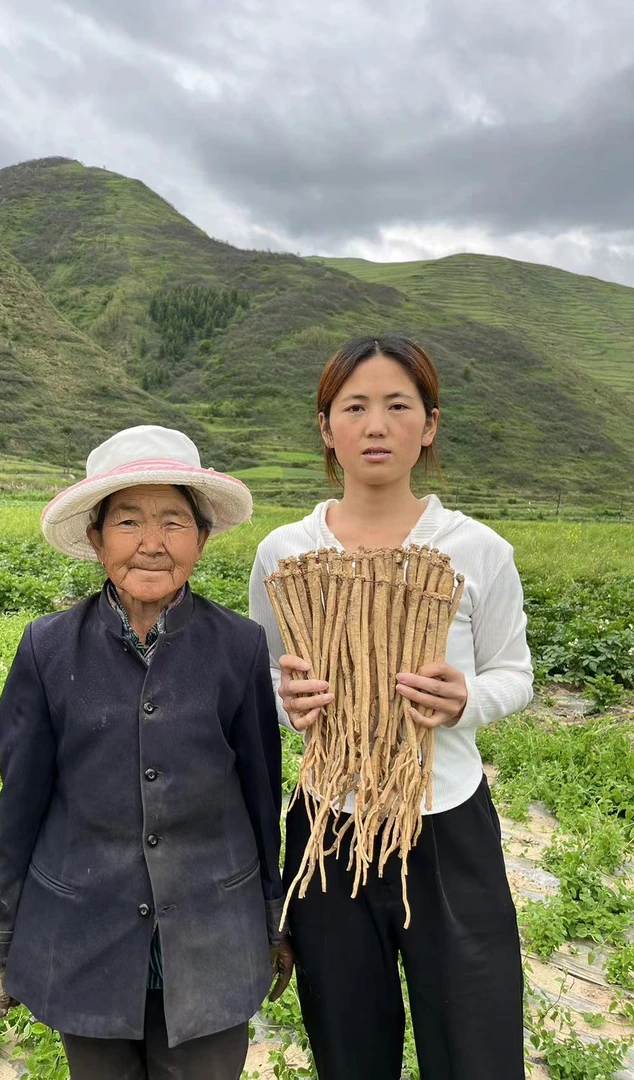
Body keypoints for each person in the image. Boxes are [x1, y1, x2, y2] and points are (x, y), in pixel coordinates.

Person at [249, 336, 534, 1080]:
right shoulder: (286, 553)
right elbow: (267, 684)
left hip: (448, 827)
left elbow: (517, 674)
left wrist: (467, 696)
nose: (376, 425)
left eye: (397, 406)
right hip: (327, 829)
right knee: (349, 1047)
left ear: (429, 425)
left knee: (477, 1044)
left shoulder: (475, 550)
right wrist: (291, 705)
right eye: (355, 407)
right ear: (326, 427)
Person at [0, 425, 294, 1080]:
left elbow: (263, 797)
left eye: (174, 521)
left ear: (201, 538)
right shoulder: (47, 648)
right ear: (96, 539)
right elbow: (22, 807)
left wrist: (271, 918)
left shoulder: (237, 648)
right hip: (85, 937)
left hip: (212, 939)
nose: (152, 543)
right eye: (128, 522)